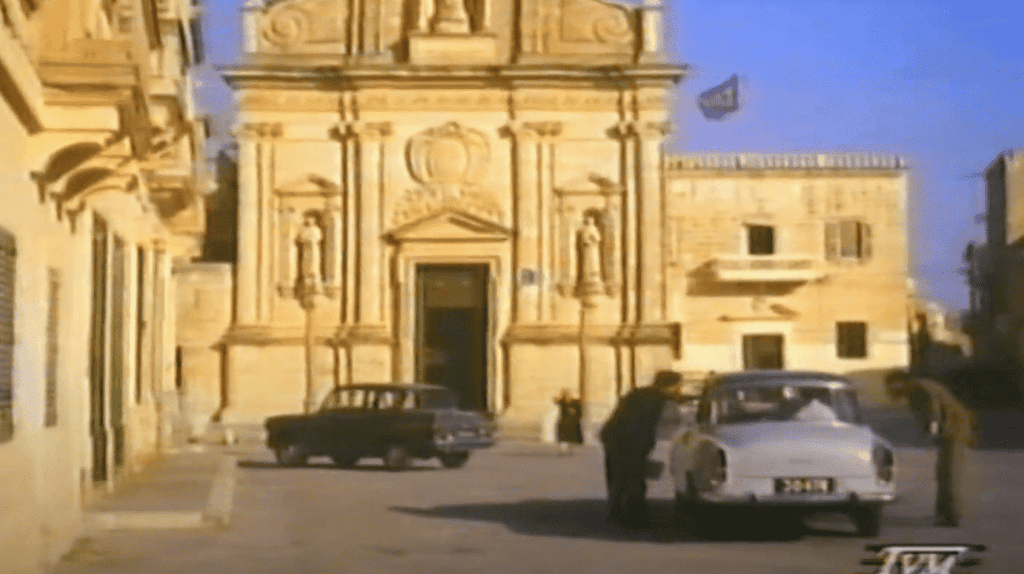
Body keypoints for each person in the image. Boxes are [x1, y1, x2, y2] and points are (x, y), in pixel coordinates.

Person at [599, 370, 683, 528]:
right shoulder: (658, 399)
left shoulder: (638, 393)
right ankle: (634, 518)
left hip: (613, 437)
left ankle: (616, 513)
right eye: (678, 385)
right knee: (634, 479)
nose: (680, 389)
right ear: (671, 385)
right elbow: (665, 422)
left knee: (617, 477)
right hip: (630, 442)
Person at [554, 389, 583, 455]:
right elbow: (556, 401)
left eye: (568, 395)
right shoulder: (562, 403)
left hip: (572, 423)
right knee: (563, 439)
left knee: (571, 439)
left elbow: (579, 414)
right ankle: (563, 451)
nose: (567, 396)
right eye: (565, 395)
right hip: (564, 423)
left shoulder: (575, 403)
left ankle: (570, 451)